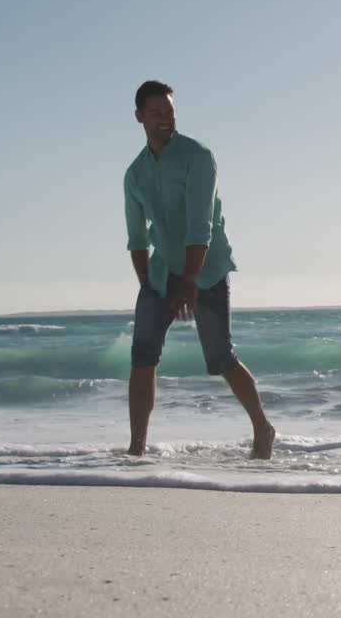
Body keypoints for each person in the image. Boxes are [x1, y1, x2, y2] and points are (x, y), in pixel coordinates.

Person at [123, 80, 275, 459]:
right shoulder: (135, 174)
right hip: (162, 273)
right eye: (156, 112)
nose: (165, 119)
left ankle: (263, 427)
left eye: (170, 111)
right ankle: (136, 448)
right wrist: (150, 291)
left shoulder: (198, 157)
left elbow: (200, 226)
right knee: (142, 355)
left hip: (206, 268)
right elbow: (137, 239)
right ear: (140, 117)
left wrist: (189, 281)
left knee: (220, 356)